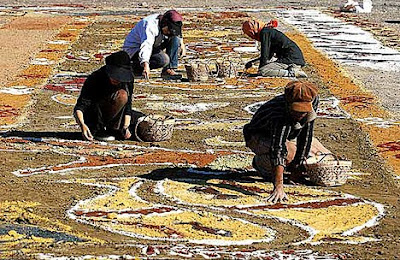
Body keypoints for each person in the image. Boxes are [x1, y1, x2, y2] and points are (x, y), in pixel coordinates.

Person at [243, 81, 331, 203]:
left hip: (288, 135)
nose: (300, 115)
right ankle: (261, 164)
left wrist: (298, 165)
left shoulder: (313, 100)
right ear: (288, 104)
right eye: (296, 111)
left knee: (321, 156)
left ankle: (288, 165)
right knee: (289, 155)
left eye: (303, 112)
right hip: (260, 136)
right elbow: (278, 148)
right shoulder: (278, 112)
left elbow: (306, 134)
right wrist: (278, 186)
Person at [74, 51, 135, 141]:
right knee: (121, 95)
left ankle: (115, 128)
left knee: (140, 123)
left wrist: (125, 126)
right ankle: (98, 129)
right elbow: (81, 106)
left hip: (115, 112)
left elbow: (128, 105)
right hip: (94, 113)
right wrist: (83, 125)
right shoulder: (95, 78)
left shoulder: (127, 80)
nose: (117, 79)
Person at [123, 10, 186, 80]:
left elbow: (177, 34)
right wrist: (145, 64)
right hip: (135, 49)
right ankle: (135, 68)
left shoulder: (165, 24)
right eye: (169, 30)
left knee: (175, 38)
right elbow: (146, 46)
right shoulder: (150, 26)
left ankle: (168, 69)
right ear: (164, 24)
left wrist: (181, 44)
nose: (169, 33)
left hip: (154, 44)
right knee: (163, 59)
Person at [242, 19, 307, 78]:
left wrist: (259, 72)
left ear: (253, 29)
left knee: (263, 71)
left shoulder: (265, 33)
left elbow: (265, 56)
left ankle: (292, 73)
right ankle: (291, 69)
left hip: (292, 60)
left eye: (250, 34)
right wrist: (252, 62)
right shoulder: (268, 31)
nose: (251, 36)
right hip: (294, 59)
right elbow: (269, 55)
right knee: (268, 65)